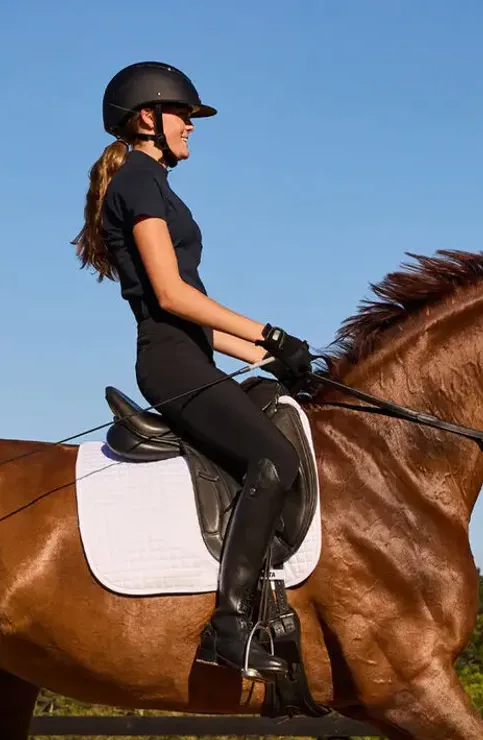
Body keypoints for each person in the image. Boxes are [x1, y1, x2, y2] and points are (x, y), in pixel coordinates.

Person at [72, 61, 313, 681]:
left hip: (189, 355)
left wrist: (269, 357)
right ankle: (228, 627)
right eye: (183, 115)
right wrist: (268, 332)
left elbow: (193, 317)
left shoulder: (151, 183)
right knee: (275, 460)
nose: (191, 126)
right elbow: (172, 295)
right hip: (171, 364)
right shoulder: (137, 182)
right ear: (147, 118)